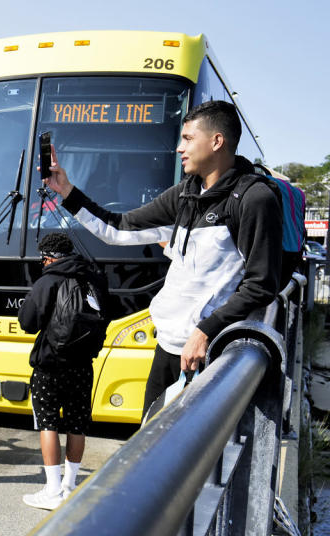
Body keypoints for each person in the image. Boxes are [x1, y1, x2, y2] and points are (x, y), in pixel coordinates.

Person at [43, 100, 282, 415]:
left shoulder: (254, 199)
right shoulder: (184, 193)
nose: (178, 148)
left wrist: (206, 330)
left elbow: (262, 283)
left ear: (216, 141)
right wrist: (67, 191)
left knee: (194, 455)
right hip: (170, 348)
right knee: (149, 441)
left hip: (209, 353)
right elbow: (118, 228)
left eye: (187, 138)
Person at [18, 233, 110, 510]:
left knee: (48, 423)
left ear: (47, 257)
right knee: (77, 423)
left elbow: (28, 323)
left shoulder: (47, 281)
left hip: (50, 363)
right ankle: (70, 487)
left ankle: (53, 490)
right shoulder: (94, 278)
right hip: (83, 364)